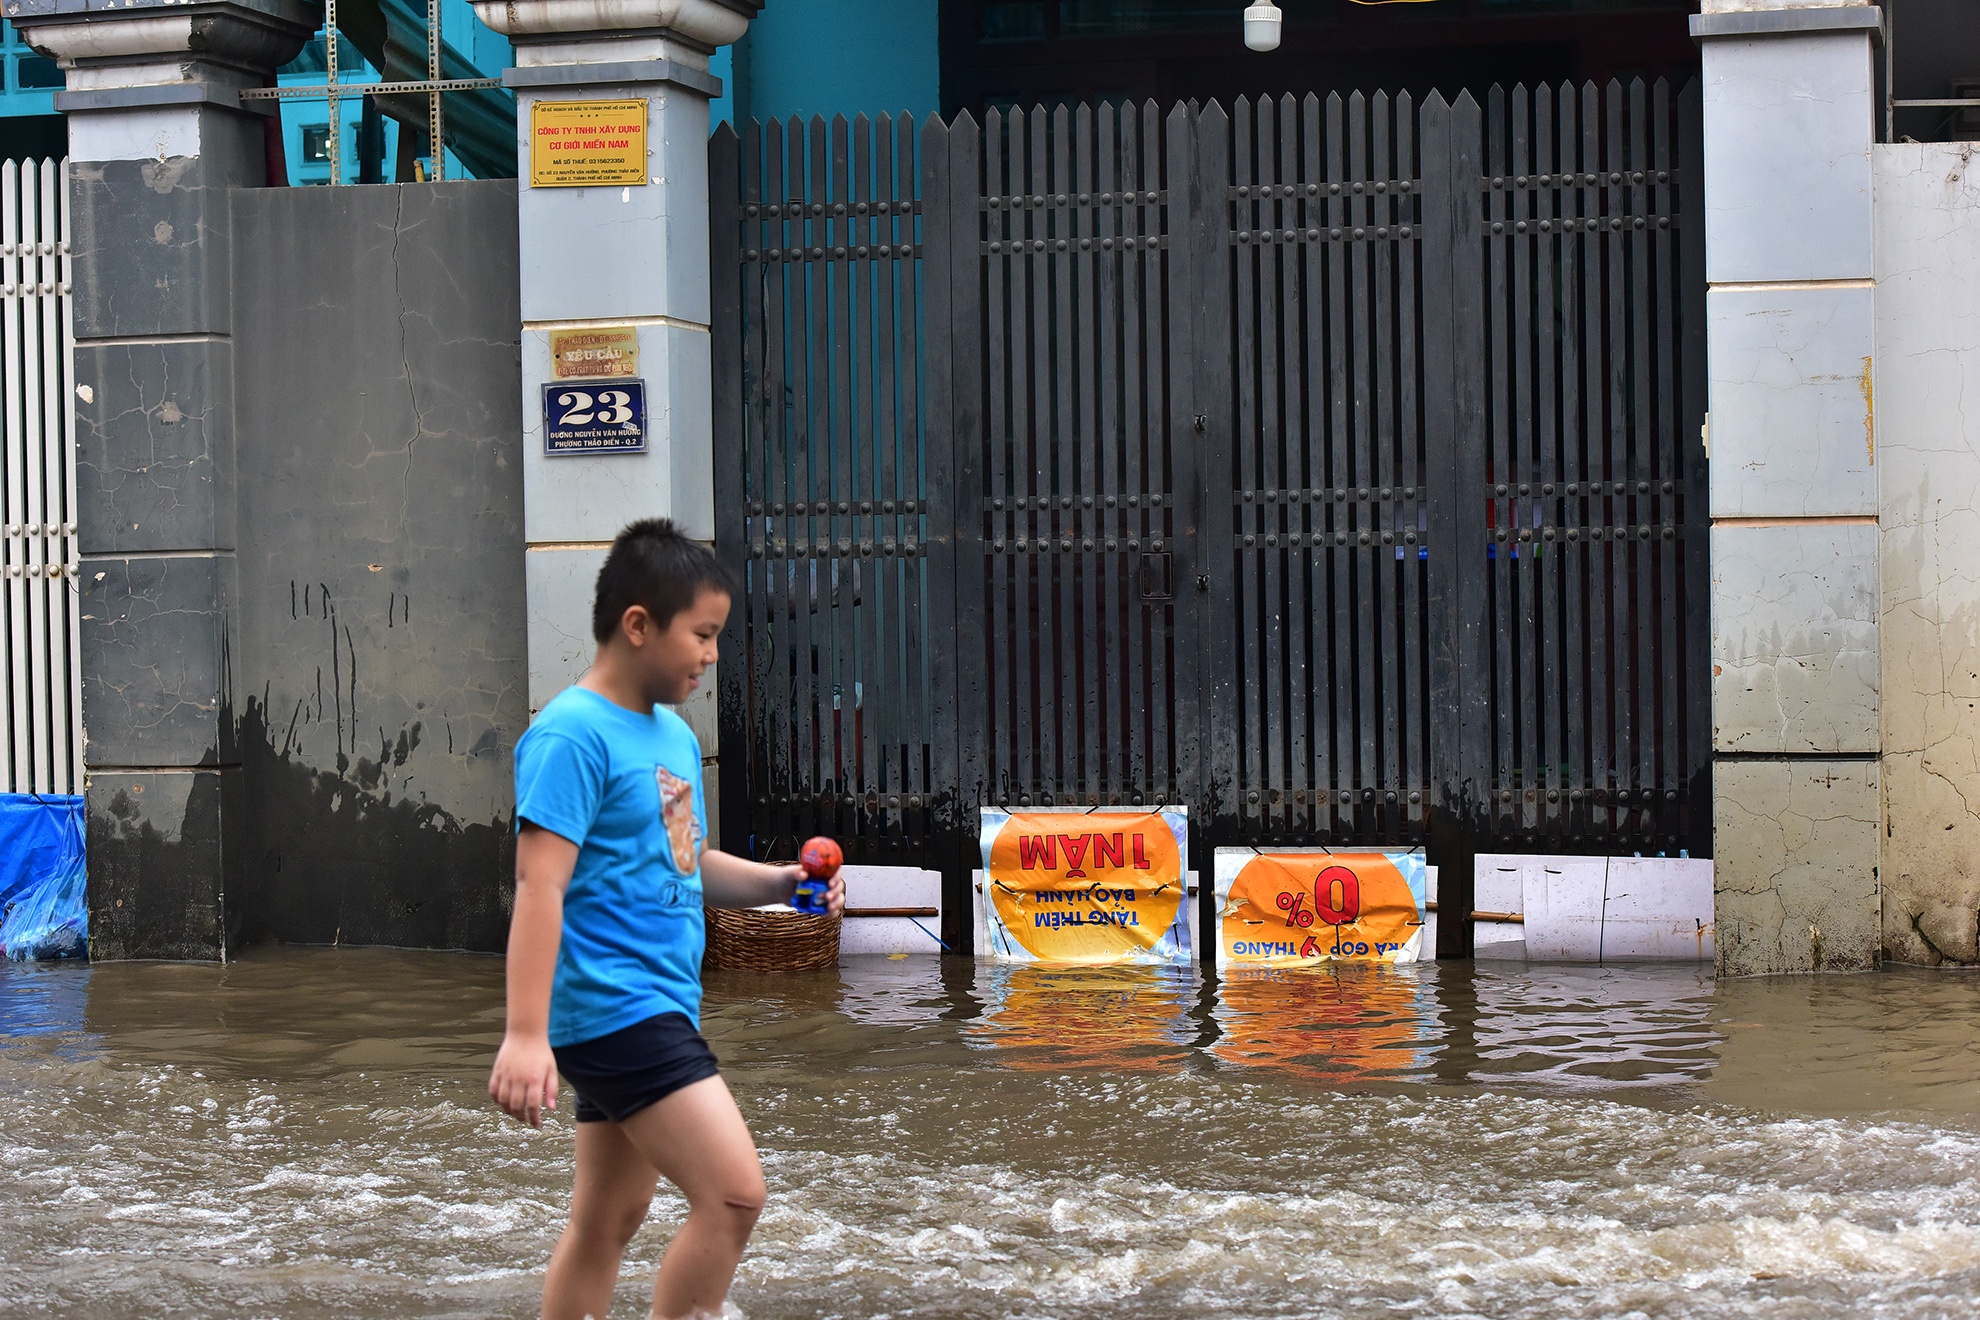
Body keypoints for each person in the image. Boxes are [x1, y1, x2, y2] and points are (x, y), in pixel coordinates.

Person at [488, 518, 845, 1320]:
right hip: (616, 1006)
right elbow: (538, 886)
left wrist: (783, 885)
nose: (713, 655)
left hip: (655, 1001)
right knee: (735, 1194)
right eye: (704, 634)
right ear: (638, 624)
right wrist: (524, 1033)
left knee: (608, 1220)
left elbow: (689, 862)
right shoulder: (570, 736)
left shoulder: (675, 741)